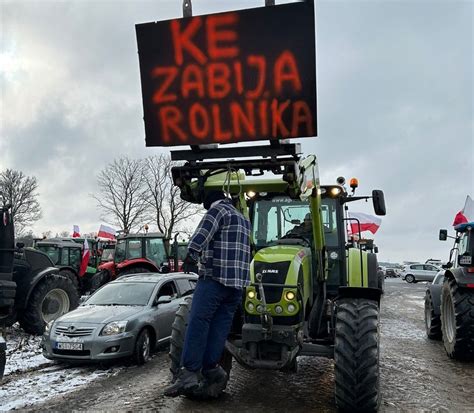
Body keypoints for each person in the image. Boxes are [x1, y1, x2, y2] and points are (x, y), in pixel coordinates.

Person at [164, 190, 251, 397]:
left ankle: (189, 374)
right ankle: (212, 368)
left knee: (198, 322)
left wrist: (192, 254)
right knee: (219, 328)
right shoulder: (244, 220)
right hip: (236, 287)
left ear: (209, 201)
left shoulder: (218, 211)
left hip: (215, 279)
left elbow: (202, 235)